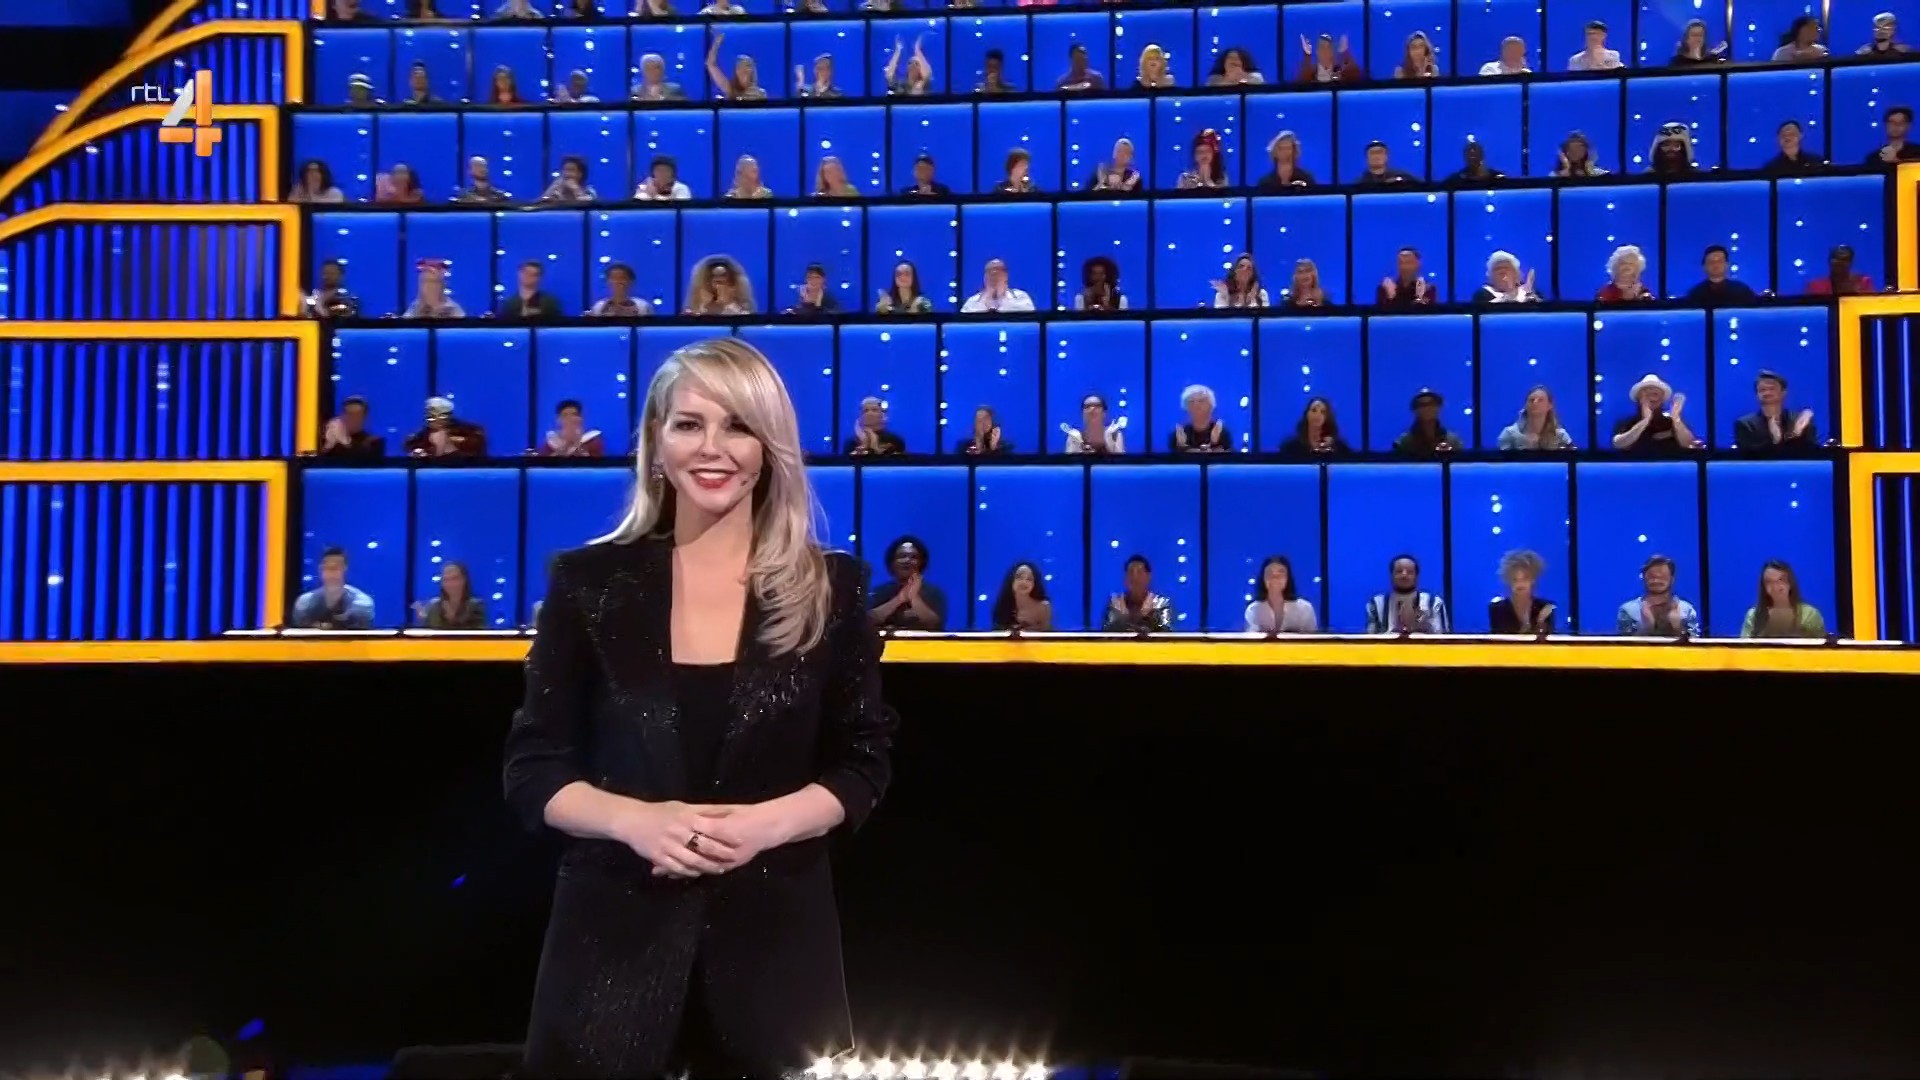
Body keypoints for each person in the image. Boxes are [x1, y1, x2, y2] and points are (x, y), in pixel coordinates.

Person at [504, 338, 897, 1079]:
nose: (713, 448)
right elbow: (533, 768)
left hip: (776, 965)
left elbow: (863, 763)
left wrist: (762, 826)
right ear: (657, 442)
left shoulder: (833, 589)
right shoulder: (588, 585)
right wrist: (636, 822)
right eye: (689, 424)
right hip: (608, 962)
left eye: (738, 426)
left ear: (769, 449)